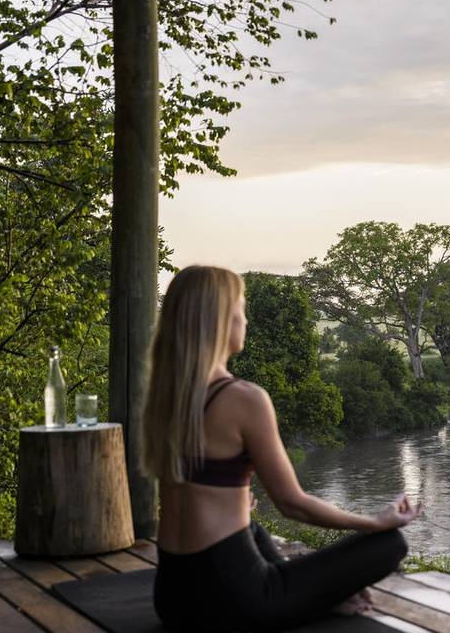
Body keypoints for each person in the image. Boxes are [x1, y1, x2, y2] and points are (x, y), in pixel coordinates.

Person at [142, 265, 423, 632]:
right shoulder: (243, 398)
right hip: (233, 604)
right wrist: (374, 522)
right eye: (241, 310)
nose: (245, 320)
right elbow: (292, 504)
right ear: (221, 320)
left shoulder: (165, 397)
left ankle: (318, 597)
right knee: (389, 545)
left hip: (174, 598)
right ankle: (313, 599)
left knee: (252, 531)